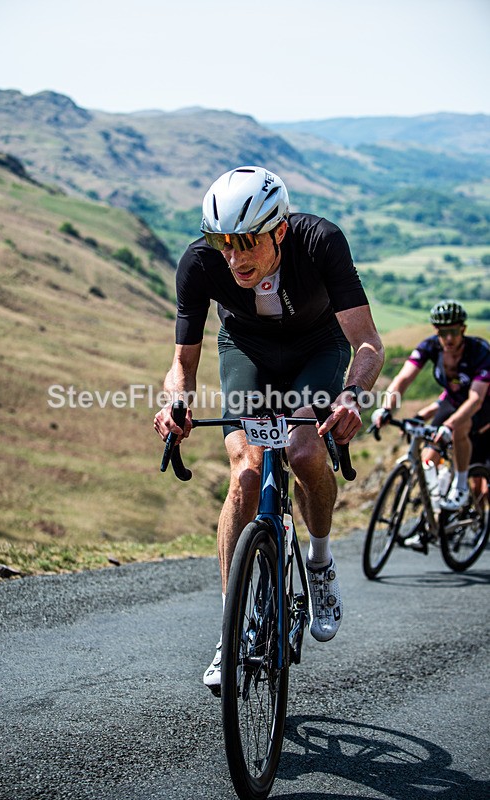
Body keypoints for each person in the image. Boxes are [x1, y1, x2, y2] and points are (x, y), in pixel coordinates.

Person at [154, 165, 384, 693]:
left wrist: (351, 396)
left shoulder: (320, 241)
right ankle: (230, 629)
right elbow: (182, 364)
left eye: (246, 242)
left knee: (304, 451)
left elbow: (369, 344)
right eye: (223, 242)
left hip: (317, 348)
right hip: (247, 350)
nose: (233, 258)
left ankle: (320, 564)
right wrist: (176, 404)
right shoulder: (199, 262)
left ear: (279, 230)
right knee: (246, 470)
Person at [372, 299, 489, 514]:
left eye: (453, 331)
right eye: (443, 332)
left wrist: (449, 426)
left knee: (459, 429)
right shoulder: (431, 346)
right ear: (436, 331)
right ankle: (434, 516)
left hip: (482, 406)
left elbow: (476, 399)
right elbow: (403, 379)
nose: (449, 338)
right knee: (428, 458)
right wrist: (386, 408)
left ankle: (460, 486)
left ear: (463, 329)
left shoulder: (480, 351)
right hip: (453, 402)